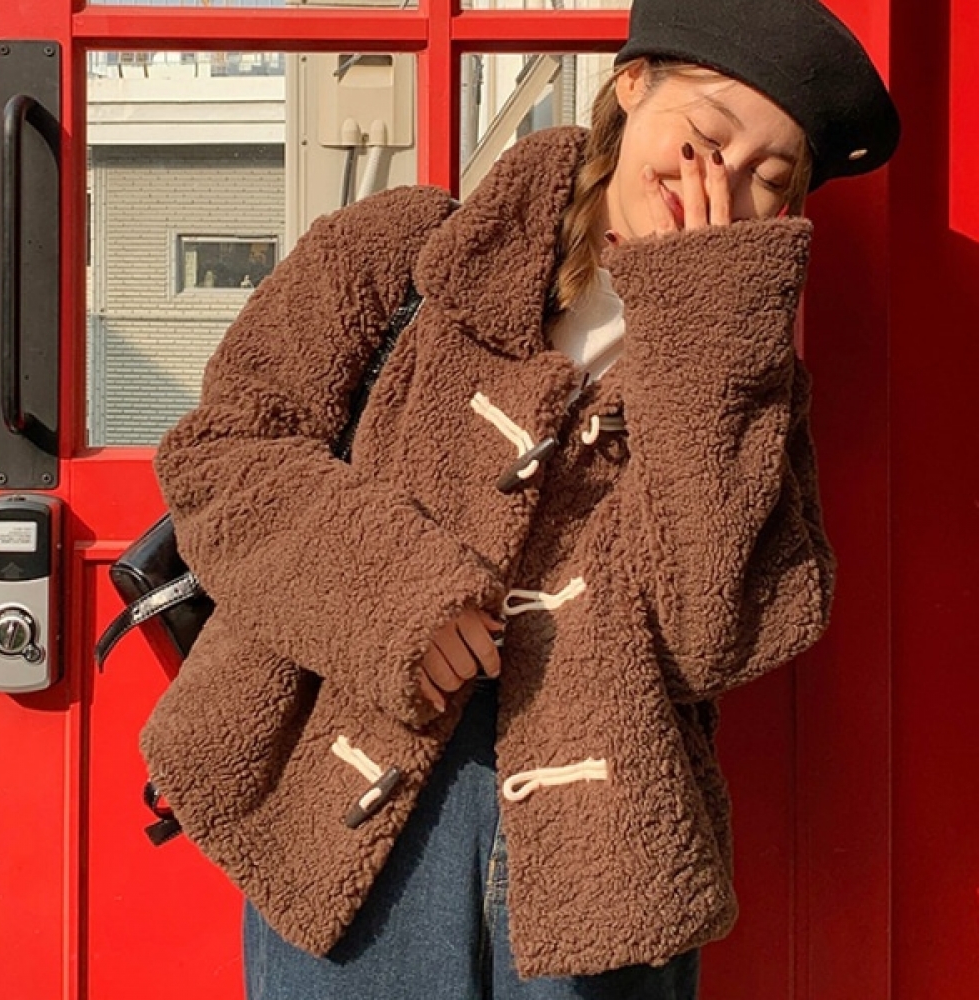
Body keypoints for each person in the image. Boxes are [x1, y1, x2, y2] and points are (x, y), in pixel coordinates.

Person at [139, 0, 899, 996]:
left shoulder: (749, 387)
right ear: (633, 85)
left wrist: (708, 326)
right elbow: (222, 455)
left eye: (769, 176)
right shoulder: (399, 253)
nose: (718, 187)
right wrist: (398, 596)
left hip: (603, 857)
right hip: (352, 813)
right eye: (707, 139)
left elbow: (707, 637)